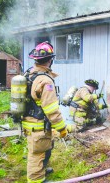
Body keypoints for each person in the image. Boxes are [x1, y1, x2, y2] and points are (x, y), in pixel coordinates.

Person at [22, 41, 68, 183]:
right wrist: (61, 128)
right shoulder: (45, 80)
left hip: (29, 122)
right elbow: (51, 109)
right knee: (38, 153)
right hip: (38, 125)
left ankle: (41, 169)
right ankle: (37, 179)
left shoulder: (30, 73)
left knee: (44, 148)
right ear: (50, 60)